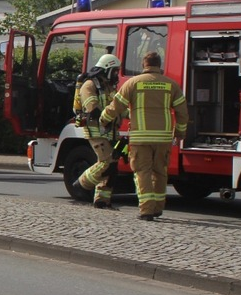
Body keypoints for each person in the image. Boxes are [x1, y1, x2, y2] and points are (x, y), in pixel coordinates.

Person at [100, 51, 188, 220]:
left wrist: (104, 118)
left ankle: (147, 210)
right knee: (160, 172)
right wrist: (180, 132)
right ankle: (158, 208)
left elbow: (116, 106)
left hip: (141, 138)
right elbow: (182, 112)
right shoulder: (171, 84)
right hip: (163, 138)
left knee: (142, 172)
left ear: (144, 65)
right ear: (159, 65)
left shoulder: (133, 83)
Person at [70, 54, 121, 208]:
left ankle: (102, 200)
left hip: (111, 131)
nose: (116, 74)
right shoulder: (89, 85)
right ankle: (81, 183)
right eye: (115, 71)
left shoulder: (109, 87)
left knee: (111, 167)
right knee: (107, 161)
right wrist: (107, 118)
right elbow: (92, 107)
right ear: (107, 69)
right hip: (96, 130)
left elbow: (118, 108)